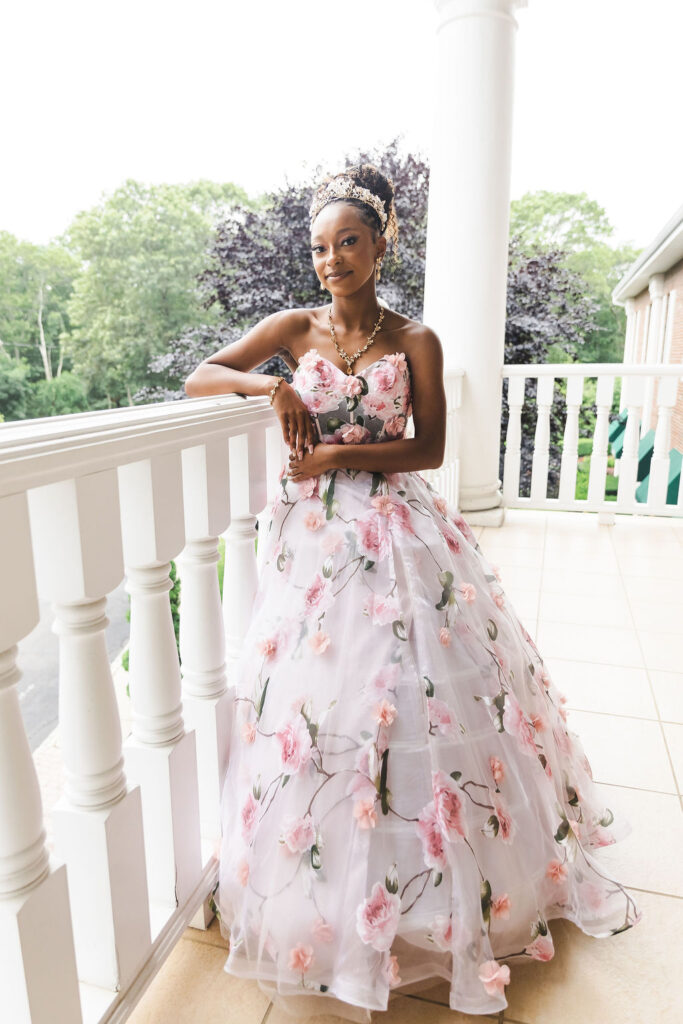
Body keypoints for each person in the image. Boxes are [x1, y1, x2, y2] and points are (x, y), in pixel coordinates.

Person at [184, 163, 642, 1021]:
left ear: (381, 242)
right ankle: (321, 869)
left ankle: (443, 882)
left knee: (414, 686)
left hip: (396, 525)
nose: (332, 259)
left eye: (348, 242)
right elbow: (200, 376)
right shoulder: (293, 327)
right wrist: (272, 385)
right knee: (327, 696)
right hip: (315, 541)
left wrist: (337, 455)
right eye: (320, 247)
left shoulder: (416, 339)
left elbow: (428, 448)